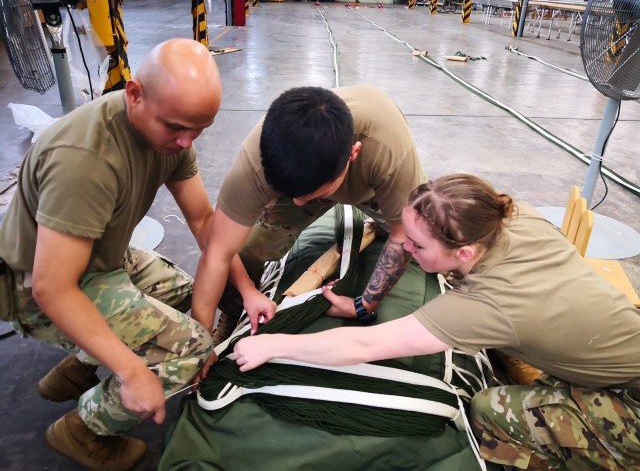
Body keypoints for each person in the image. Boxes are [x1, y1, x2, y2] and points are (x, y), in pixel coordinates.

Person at [231, 174, 640, 470]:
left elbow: (363, 346)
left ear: (463, 253)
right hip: (620, 343)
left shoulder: (488, 306)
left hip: (630, 400)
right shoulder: (513, 217)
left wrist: (273, 345)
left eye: (416, 244)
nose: (404, 247)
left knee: (489, 409)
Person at [0, 38, 272, 471]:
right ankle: (83, 430)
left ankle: (74, 370)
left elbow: (204, 222)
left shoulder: (168, 135)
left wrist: (247, 289)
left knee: (190, 295)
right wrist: (131, 371)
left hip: (99, 261)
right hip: (35, 287)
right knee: (192, 349)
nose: (186, 142)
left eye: (199, 130)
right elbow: (53, 288)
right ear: (134, 94)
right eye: (177, 127)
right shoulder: (85, 160)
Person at [191, 84, 426, 347]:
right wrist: (199, 343)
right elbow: (218, 251)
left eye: (311, 194)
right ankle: (235, 314)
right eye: (290, 193)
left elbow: (401, 235)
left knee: (429, 245)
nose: (298, 202)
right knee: (247, 249)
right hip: (310, 175)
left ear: (353, 154)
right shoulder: (258, 159)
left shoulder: (387, 151)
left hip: (370, 187)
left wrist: (364, 304)